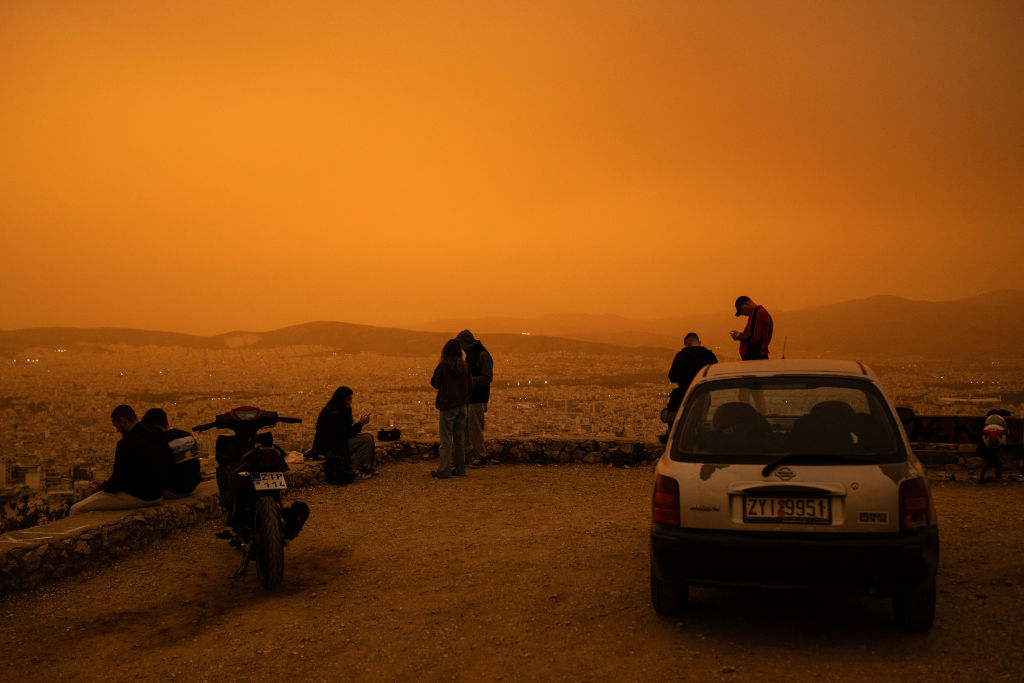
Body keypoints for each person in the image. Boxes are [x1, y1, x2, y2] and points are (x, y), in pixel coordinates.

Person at [69, 405, 167, 515]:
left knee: (76, 509)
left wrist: (102, 487)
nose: (116, 430)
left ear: (123, 420)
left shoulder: (126, 443)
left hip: (140, 497)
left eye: (116, 425)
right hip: (158, 495)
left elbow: (117, 481)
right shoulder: (156, 436)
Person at [311, 386, 377, 483]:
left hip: (339, 442)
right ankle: (357, 469)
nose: (350, 401)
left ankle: (367, 467)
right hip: (332, 446)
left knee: (369, 436)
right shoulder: (333, 412)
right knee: (366, 439)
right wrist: (360, 424)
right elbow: (344, 433)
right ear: (342, 399)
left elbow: (346, 431)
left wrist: (361, 423)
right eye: (348, 399)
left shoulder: (342, 409)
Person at [430, 339, 474, 479]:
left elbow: (435, 383)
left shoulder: (444, 366)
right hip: (462, 406)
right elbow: (471, 387)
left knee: (446, 440)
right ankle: (461, 469)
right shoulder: (465, 366)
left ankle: (444, 470)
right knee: (460, 439)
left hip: (447, 406)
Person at [662, 332, 718, 442]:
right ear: (699, 342)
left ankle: (671, 436)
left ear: (686, 344)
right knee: (700, 419)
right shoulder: (710, 355)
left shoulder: (681, 355)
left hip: (684, 393)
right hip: (704, 394)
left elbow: (672, 377)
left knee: (678, 419)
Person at [140, 408, 201, 497]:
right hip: (192, 487)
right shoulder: (187, 435)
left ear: (154, 427)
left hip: (174, 490)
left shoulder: (160, 441)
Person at [456, 329, 493, 468]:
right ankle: (464, 456)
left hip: (478, 397)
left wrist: (469, 380)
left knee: (475, 429)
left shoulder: (482, 355)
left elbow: (487, 377)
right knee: (465, 428)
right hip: (470, 397)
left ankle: (481, 457)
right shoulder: (472, 354)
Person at [730, 296, 773, 360]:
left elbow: (752, 337)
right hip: (760, 356)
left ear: (746, 303)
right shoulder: (763, 312)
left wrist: (738, 335)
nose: (742, 314)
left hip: (754, 357)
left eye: (741, 310)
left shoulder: (757, 313)